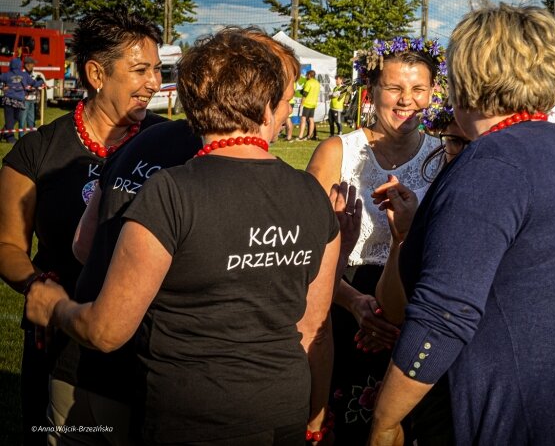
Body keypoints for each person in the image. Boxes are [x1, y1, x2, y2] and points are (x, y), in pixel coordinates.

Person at [26, 28, 341, 446]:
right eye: (284, 98)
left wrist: (55, 307)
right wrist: (316, 419)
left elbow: (97, 293)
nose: (287, 110)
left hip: (180, 405)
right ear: (266, 104)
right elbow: (314, 326)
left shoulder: (170, 186)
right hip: (277, 406)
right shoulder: (312, 194)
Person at [367, 3, 555, 446]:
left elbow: (444, 317)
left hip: (537, 422)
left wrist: (385, 421)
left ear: (470, 78)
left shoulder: (496, 162)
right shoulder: (548, 147)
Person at [0, 9, 165, 446]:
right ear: (96, 73)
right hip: (62, 342)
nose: (154, 82)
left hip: (148, 344)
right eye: (140, 70)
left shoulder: (172, 144)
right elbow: (7, 244)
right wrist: (38, 286)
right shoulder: (37, 149)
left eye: (157, 69)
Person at [306, 36, 443, 443]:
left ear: (432, 93)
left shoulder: (443, 156)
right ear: (373, 91)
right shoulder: (336, 151)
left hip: (414, 310)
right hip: (341, 302)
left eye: (418, 89)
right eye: (395, 88)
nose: (407, 100)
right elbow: (309, 249)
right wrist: (353, 302)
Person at [1, 56, 43, 143]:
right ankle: (9, 137)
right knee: (16, 118)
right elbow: (34, 83)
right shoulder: (24, 75)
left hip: (8, 100)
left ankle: (6, 133)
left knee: (10, 119)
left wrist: (2, 87)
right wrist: (41, 81)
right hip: (19, 101)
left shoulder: (7, 75)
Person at [20, 56, 45, 135]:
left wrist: (39, 82)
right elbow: (28, 87)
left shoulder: (34, 74)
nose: (33, 66)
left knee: (31, 121)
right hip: (24, 100)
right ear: (27, 65)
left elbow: (37, 84)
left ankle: (31, 138)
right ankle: (21, 138)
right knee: (22, 121)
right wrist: (38, 83)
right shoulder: (23, 75)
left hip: (32, 100)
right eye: (32, 64)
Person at [297, 70, 320, 140]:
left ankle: (300, 136)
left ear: (309, 75)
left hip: (307, 103)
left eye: (307, 75)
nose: (306, 76)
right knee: (311, 119)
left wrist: (301, 104)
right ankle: (309, 136)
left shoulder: (308, 82)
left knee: (303, 119)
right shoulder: (317, 83)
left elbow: (305, 94)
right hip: (313, 104)